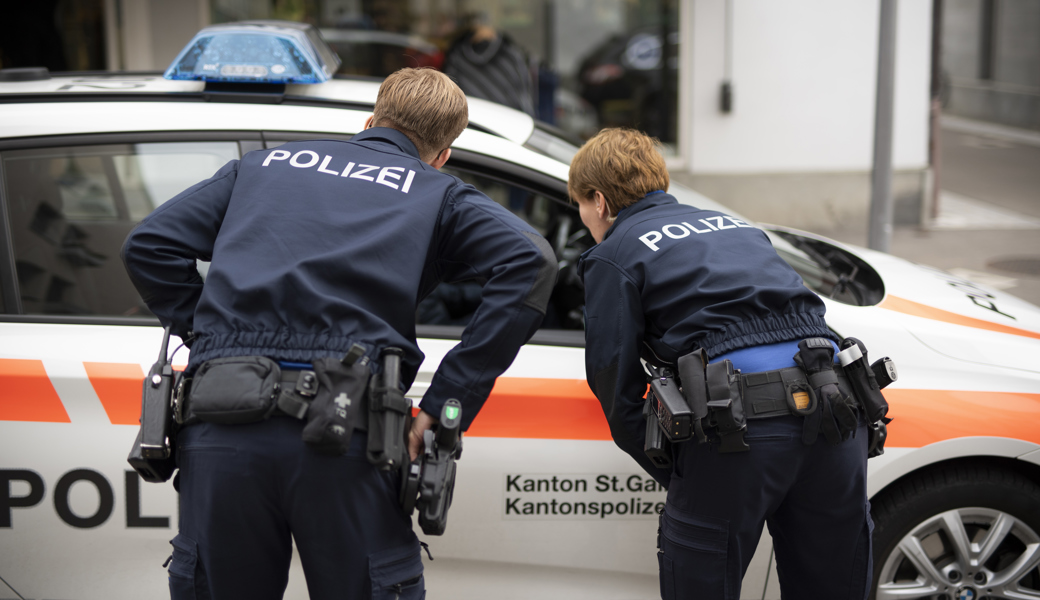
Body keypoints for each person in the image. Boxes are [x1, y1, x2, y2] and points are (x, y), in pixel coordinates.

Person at [122, 67, 558, 600]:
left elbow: (148, 245)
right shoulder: (437, 191)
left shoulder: (262, 167)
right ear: (443, 153)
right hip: (346, 428)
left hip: (222, 420)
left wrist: (212, 338)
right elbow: (531, 261)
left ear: (370, 120)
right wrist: (449, 401)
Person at [571, 128, 872, 599]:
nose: (585, 219)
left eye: (582, 208)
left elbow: (614, 384)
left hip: (737, 430)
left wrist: (682, 471)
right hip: (838, 409)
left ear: (600, 200)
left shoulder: (614, 253)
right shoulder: (735, 226)